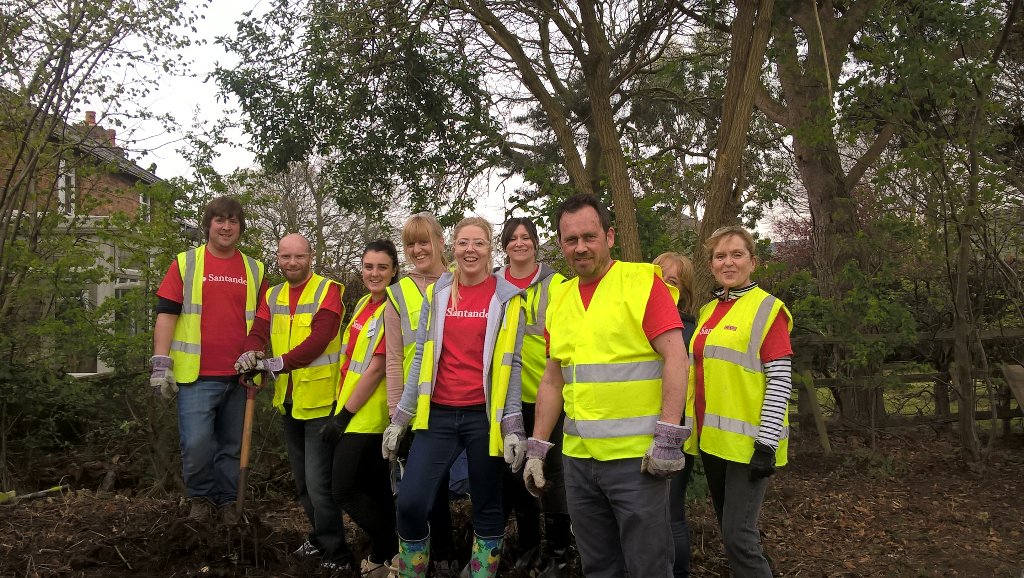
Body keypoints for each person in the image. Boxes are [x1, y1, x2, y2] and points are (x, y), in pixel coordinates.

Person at [523, 194, 690, 578]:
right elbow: (552, 378)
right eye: (570, 239)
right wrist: (537, 445)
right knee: (598, 566)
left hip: (638, 461)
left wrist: (668, 435)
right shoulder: (560, 297)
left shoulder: (641, 283)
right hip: (579, 461)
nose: (580, 247)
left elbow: (676, 357)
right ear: (561, 243)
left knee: (647, 567)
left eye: (589, 236)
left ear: (609, 236)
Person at [383, 216, 525, 578]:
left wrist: (513, 427)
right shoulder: (439, 294)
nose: (470, 250)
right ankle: (414, 570)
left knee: (487, 506)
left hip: (483, 417)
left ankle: (480, 572)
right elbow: (422, 363)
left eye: (478, 243)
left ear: (490, 247)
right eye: (463, 243)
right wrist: (400, 418)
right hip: (439, 416)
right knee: (412, 503)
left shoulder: (507, 299)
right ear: (453, 247)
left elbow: (512, 367)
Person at [235, 233, 351, 570]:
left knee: (318, 483)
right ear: (279, 257)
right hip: (288, 401)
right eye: (285, 257)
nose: (292, 263)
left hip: (320, 401)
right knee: (302, 482)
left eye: (298, 257)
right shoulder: (272, 295)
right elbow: (259, 328)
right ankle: (319, 539)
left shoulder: (328, 291)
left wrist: (276, 363)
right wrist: (251, 350)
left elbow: (320, 338)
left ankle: (338, 553)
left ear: (310, 256)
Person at [150, 195, 267, 523]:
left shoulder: (255, 270)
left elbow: (263, 322)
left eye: (233, 221)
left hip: (240, 377)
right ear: (208, 225)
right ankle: (200, 500)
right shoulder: (186, 263)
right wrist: (161, 361)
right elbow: (167, 314)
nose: (227, 227)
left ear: (241, 227)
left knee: (232, 446)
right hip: (197, 376)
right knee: (197, 443)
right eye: (220, 220)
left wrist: (259, 358)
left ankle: (230, 502)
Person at [684, 225, 793, 577]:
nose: (727, 262)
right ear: (711, 264)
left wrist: (767, 443)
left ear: (753, 262)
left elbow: (780, 378)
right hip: (714, 442)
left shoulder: (767, 309)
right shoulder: (707, 311)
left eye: (736, 254)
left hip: (750, 445)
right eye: (720, 256)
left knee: (738, 536)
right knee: (732, 533)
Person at [318, 240, 401, 578]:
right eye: (369, 267)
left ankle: (394, 546)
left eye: (382, 267)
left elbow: (378, 367)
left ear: (394, 270)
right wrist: (339, 405)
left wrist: (344, 415)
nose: (374, 273)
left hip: (369, 415)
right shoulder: (365, 303)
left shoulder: (392, 307)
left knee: (343, 489)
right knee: (377, 490)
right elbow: (352, 362)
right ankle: (386, 557)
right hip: (352, 408)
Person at [383, 212, 460, 576]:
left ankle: (447, 554)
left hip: (458, 399)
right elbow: (395, 359)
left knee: (445, 486)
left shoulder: (461, 280)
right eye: (410, 243)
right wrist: (396, 413)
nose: (417, 250)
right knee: (421, 489)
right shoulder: (396, 293)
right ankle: (425, 557)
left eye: (423, 241)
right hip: (417, 406)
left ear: (440, 241)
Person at [495, 217, 571, 577]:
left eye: (527, 237)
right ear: (504, 244)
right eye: (513, 238)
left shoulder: (556, 283)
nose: (520, 243)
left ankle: (559, 551)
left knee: (552, 471)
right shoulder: (493, 283)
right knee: (516, 470)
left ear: (537, 243)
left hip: (549, 393)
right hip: (506, 396)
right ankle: (527, 547)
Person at [653, 251, 698, 578]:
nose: (665, 287)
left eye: (672, 281)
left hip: (674, 433)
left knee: (670, 514)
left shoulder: (685, 329)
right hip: (640, 429)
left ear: (684, 291)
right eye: (658, 278)